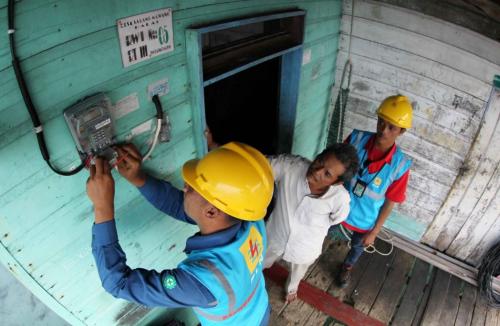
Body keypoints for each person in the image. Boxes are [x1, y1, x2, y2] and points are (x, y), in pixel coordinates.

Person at [86, 142, 274, 325]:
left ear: (211, 212)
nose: (184, 187)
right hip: (259, 310)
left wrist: (102, 206)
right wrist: (139, 178)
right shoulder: (249, 217)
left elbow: (118, 283)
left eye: (191, 188)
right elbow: (183, 207)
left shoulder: (203, 281)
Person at [333, 95, 413, 288]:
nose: (383, 130)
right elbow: (335, 168)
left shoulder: (400, 165)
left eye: (391, 127)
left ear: (401, 131)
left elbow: (390, 202)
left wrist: (375, 231)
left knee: (357, 248)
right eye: (381, 122)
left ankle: (347, 267)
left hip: (365, 221)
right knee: (320, 232)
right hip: (337, 209)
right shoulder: (356, 139)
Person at [263, 143, 359, 302]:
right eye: (320, 160)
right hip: (274, 236)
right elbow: (260, 166)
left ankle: (291, 288)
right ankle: (250, 280)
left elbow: (337, 218)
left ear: (337, 182)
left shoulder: (340, 199)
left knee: (297, 273)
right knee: (258, 263)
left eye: (327, 174)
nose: (317, 170)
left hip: (306, 248)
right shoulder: (291, 166)